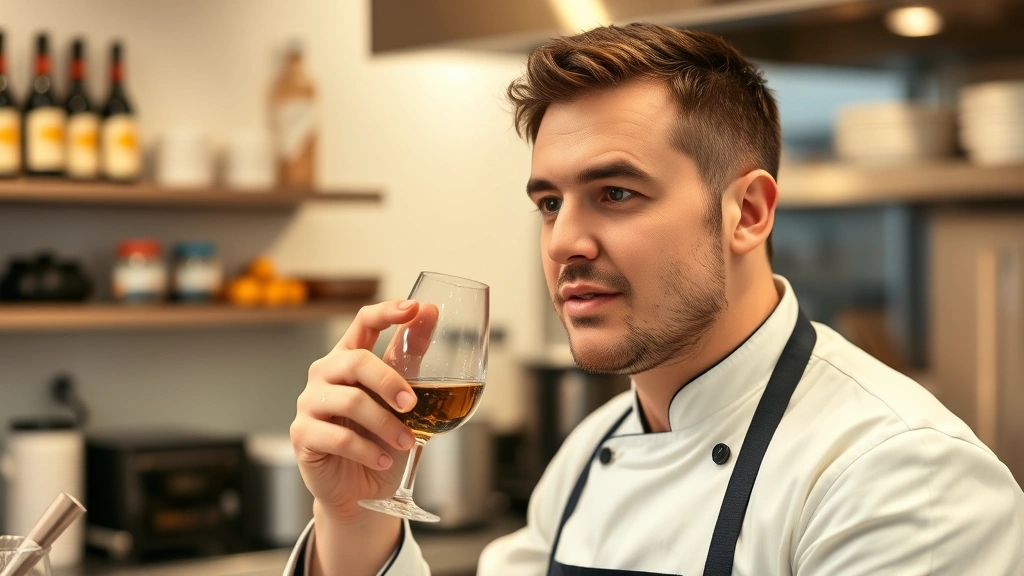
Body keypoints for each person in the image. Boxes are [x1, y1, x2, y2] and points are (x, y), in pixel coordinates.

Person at [284, 23, 1024, 576]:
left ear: (749, 212)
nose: (564, 241)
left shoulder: (901, 478)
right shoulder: (589, 453)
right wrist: (353, 519)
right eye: (548, 202)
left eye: (615, 193)